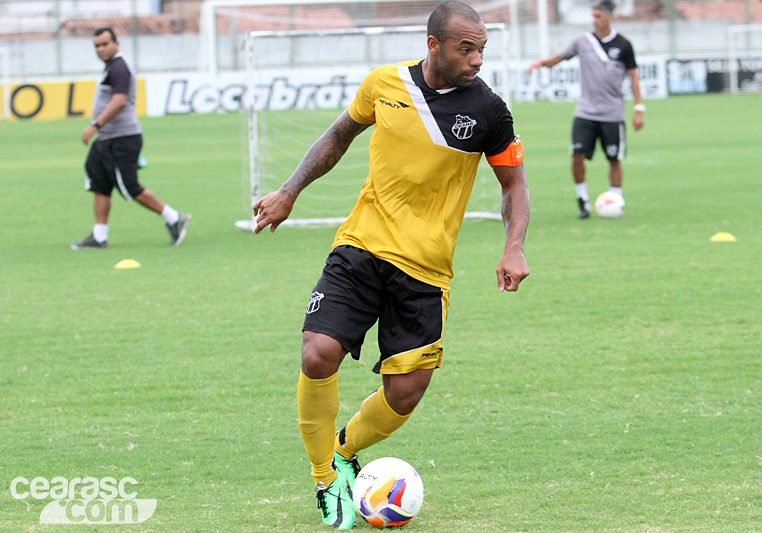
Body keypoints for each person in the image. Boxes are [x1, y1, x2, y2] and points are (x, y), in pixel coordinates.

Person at [251, 1, 530, 529]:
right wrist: (289, 191)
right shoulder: (384, 83)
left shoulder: (489, 111)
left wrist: (513, 245)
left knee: (405, 394)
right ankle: (324, 478)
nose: (477, 59)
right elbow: (337, 136)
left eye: (481, 49)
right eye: (466, 49)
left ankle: (343, 449)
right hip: (361, 247)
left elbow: (514, 184)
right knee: (317, 354)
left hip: (425, 271)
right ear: (434, 45)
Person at [71, 27, 190, 250]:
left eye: (105, 44)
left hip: (121, 138)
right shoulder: (111, 67)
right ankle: (99, 236)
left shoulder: (119, 67)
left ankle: (174, 218)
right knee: (99, 182)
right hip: (107, 139)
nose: (100, 49)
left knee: (130, 187)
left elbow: (119, 101)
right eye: (97, 46)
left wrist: (95, 125)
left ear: (116, 44)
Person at [528, 0, 644, 219]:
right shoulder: (582, 41)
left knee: (614, 158)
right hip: (585, 112)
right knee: (577, 155)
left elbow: (633, 76)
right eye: (593, 16)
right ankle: (582, 200)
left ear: (610, 17)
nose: (595, 20)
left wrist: (639, 108)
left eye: (598, 16)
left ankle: (615, 201)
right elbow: (559, 58)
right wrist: (540, 63)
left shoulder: (624, 45)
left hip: (613, 113)